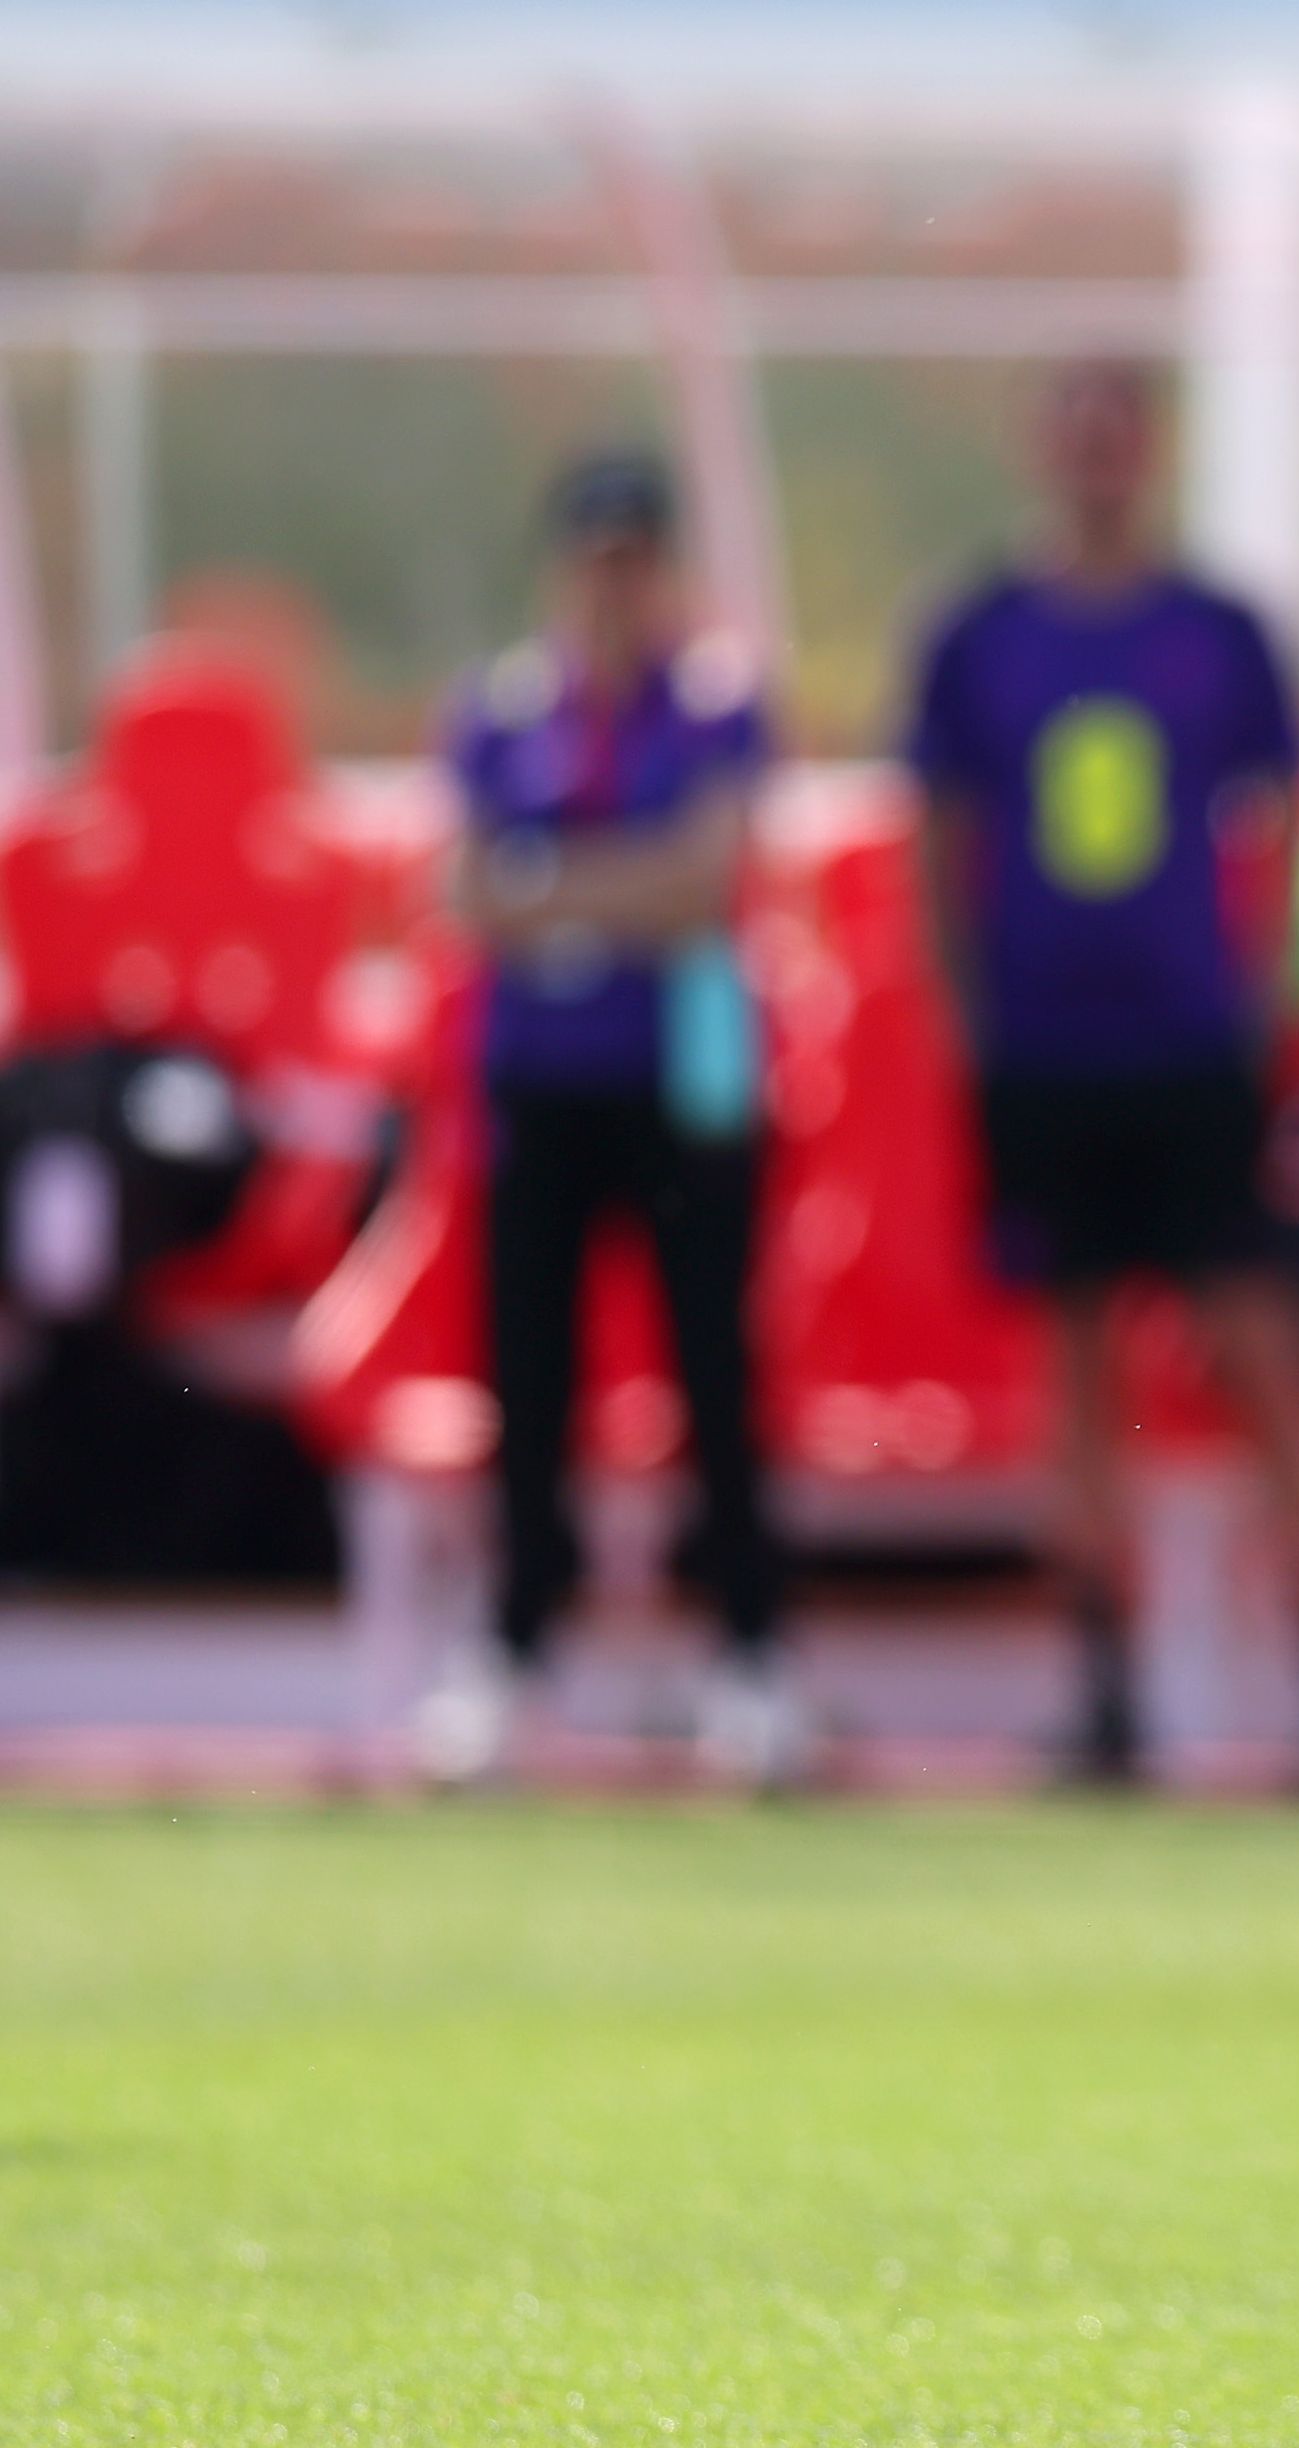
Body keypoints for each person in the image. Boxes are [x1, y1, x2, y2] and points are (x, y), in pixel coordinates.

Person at [904, 362, 1299, 1796]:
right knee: (1072, 1360)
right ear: (1043, 447)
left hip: (1187, 1047)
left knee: (1255, 1345)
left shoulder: (1218, 633)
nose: (1099, 458)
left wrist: (1263, 984)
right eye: (1078, 430)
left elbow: (1289, 806)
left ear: (1149, 449)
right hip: (1046, 1048)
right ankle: (1104, 1684)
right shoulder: (979, 633)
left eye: (1121, 432)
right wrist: (967, 1004)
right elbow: (938, 828)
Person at [421, 450, 796, 1791]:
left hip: (680, 1089)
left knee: (714, 1369)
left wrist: (552, 889)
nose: (613, 578)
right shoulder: (506, 712)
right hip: (542, 1083)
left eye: (636, 553)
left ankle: (750, 1649)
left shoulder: (710, 707)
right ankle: (517, 1640)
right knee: (531, 1376)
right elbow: (461, 891)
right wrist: (610, 888)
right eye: (594, 553)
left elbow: (702, 884)